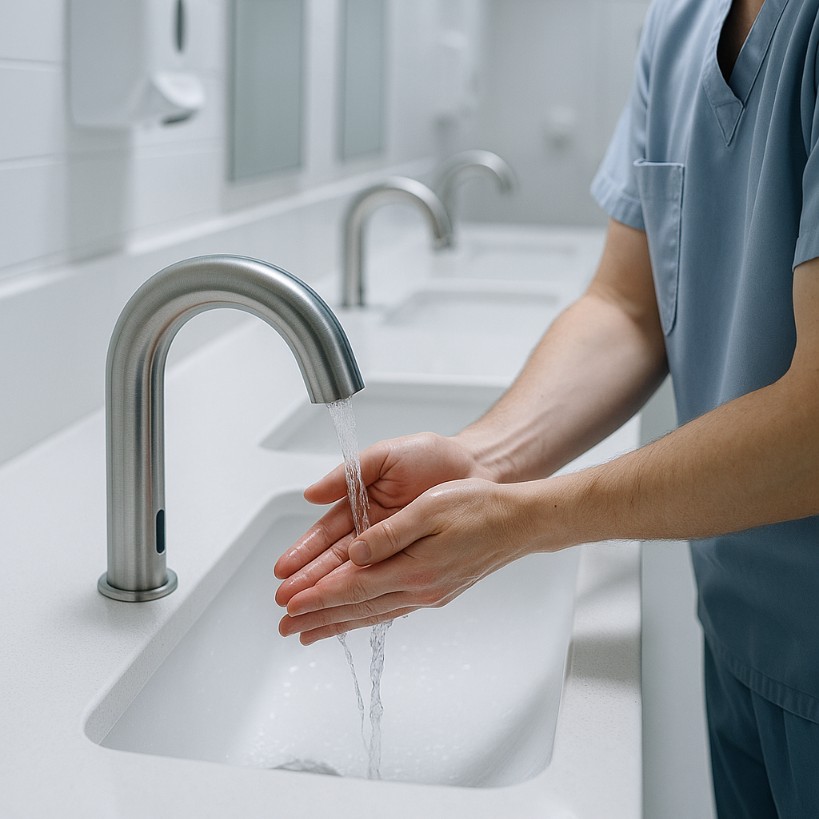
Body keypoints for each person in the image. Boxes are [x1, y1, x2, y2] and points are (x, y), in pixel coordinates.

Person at [275, 0, 819, 814]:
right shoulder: (678, 25)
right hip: (742, 639)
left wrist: (521, 518)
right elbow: (627, 307)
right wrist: (484, 458)